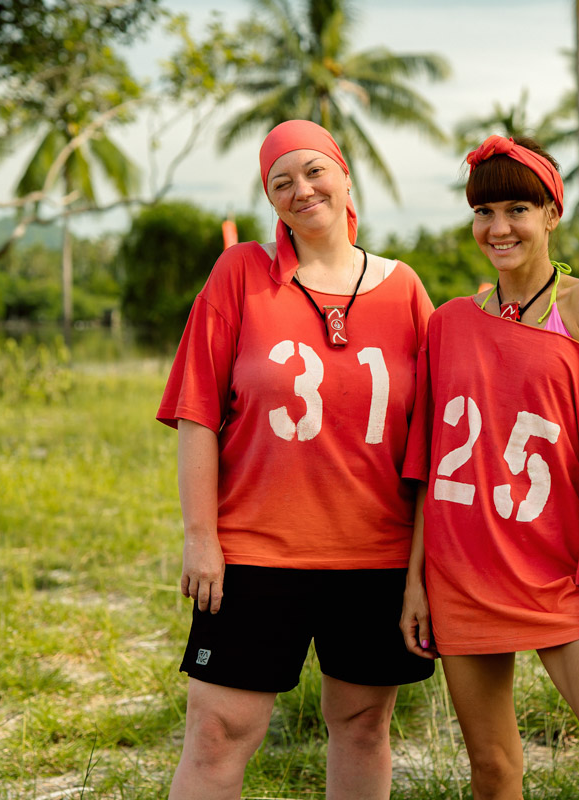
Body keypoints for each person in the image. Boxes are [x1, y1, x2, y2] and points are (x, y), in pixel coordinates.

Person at [157, 119, 435, 800]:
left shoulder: (405, 291)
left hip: (376, 556)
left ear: (344, 175)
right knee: (219, 731)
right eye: (281, 181)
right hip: (255, 550)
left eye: (314, 171)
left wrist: (424, 572)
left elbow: (430, 445)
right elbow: (197, 411)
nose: (301, 189)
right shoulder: (240, 274)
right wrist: (201, 540)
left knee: (364, 724)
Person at [400, 134, 579, 799]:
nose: (498, 228)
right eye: (484, 212)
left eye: (517, 209)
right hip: (463, 572)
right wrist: (415, 581)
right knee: (493, 768)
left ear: (552, 214)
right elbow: (431, 466)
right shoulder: (448, 323)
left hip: (560, 573)